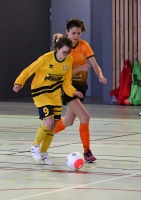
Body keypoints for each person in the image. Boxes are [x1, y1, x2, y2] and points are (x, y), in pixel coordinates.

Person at [13, 33, 83, 165]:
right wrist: (19, 82)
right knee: (49, 120)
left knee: (53, 125)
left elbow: (66, 81)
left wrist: (74, 91)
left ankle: (44, 152)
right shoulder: (46, 58)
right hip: (41, 92)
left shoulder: (69, 60)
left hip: (55, 94)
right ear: (57, 49)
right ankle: (35, 145)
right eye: (64, 52)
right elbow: (29, 70)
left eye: (68, 52)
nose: (66, 55)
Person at [54, 18, 107, 163]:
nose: (76, 36)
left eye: (78, 33)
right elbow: (63, 74)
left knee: (68, 122)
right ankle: (87, 151)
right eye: (73, 33)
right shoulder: (64, 49)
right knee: (85, 117)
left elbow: (94, 64)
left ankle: (44, 134)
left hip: (81, 88)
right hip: (68, 89)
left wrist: (100, 75)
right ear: (67, 32)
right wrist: (80, 68)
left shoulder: (84, 46)